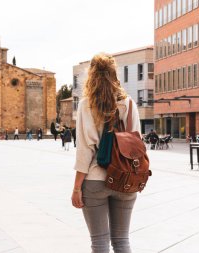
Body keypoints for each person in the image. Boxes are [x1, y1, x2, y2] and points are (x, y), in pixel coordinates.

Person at [72, 53, 141, 253]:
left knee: (99, 242)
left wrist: (77, 188)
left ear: (91, 75)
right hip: (125, 178)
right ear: (114, 73)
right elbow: (137, 142)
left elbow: (85, 150)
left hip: (95, 179)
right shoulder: (128, 103)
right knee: (122, 240)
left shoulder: (87, 105)